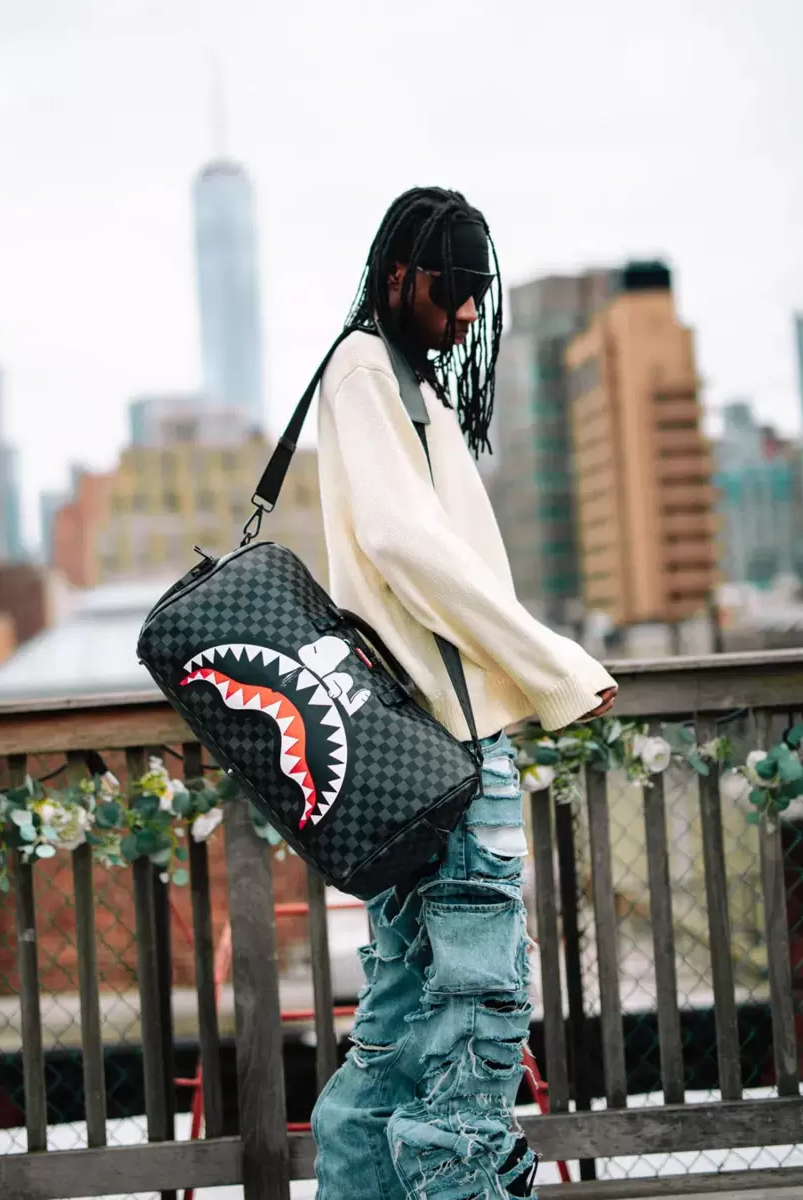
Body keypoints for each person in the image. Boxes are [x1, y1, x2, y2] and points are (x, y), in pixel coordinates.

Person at [310, 186, 617, 1199]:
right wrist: (552, 665)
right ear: (399, 276)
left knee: (401, 1041)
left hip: (419, 754)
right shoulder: (368, 370)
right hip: (450, 749)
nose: (469, 311)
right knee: (474, 1036)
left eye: (479, 291)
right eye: (453, 289)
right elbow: (404, 544)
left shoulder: (397, 377)